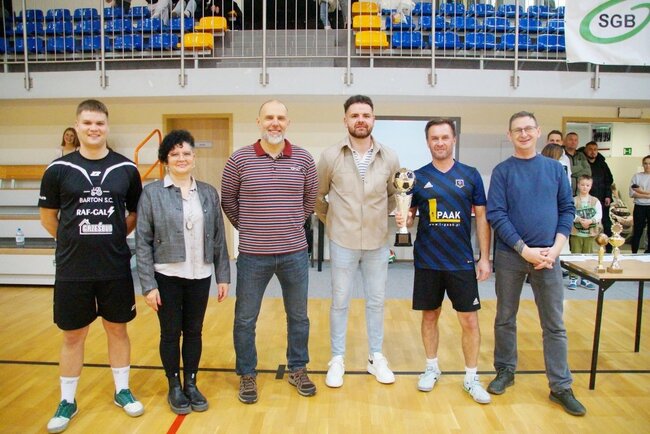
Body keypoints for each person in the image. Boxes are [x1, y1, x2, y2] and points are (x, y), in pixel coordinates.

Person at [39, 99, 144, 433]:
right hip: (73, 270)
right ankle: (67, 400)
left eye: (99, 123)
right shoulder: (57, 169)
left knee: (118, 329)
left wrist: (112, 236)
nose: (93, 129)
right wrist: (74, 240)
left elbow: (134, 214)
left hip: (114, 267)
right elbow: (48, 218)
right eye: (87, 123)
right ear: (77, 126)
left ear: (107, 126)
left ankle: (122, 391)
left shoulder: (126, 169)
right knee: (73, 335)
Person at [486, 111, 586, 416]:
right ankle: (505, 370)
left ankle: (561, 386)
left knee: (554, 324)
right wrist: (524, 250)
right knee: (505, 317)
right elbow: (496, 214)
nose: (524, 134)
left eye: (528, 128)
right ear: (510, 135)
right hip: (511, 256)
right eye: (518, 130)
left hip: (548, 258)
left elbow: (566, 209)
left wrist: (555, 249)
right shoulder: (502, 171)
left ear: (538, 132)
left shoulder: (555, 170)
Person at [221, 100, 318, 404]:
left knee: (298, 317)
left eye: (280, 118)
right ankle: (247, 374)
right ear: (259, 122)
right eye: (269, 117)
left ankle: (298, 368)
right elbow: (228, 201)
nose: (275, 123)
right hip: (253, 255)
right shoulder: (239, 159)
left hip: (294, 254)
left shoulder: (304, 159)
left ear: (288, 122)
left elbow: (310, 200)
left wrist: (290, 224)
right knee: (245, 319)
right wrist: (250, 228)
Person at [395, 119, 491, 404]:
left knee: (469, 320)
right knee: (429, 316)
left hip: (461, 261)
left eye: (444, 137)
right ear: (428, 142)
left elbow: (482, 217)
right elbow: (409, 215)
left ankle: (471, 377)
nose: (440, 142)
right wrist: (404, 218)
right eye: (434, 138)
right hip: (428, 261)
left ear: (454, 139)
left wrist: (484, 258)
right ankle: (431, 367)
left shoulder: (470, 175)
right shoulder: (418, 177)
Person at [135, 129, 230, 415]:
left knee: (194, 332)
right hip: (166, 275)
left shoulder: (208, 192)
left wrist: (223, 276)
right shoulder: (152, 194)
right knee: (170, 332)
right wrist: (148, 285)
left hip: (200, 274)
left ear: (194, 157)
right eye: (174, 154)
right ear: (165, 159)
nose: (181, 158)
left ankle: (191, 382)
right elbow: (142, 241)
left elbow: (218, 237)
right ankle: (174, 385)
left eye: (186, 153)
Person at [315, 95, 400, 388]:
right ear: (345, 120)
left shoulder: (390, 156)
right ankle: (337, 358)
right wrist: (333, 221)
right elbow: (318, 197)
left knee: (376, 302)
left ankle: (376, 357)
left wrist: (380, 218)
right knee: (340, 302)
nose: (360, 120)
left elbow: (395, 195)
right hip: (342, 242)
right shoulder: (330, 156)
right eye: (354, 115)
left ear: (373, 119)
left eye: (365, 115)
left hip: (378, 243)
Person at [567, 175, 601, 291]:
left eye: (587, 185)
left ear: (591, 186)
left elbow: (599, 214)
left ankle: (586, 279)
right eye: (582, 185)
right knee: (575, 256)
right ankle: (573, 278)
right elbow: (570, 212)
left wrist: (591, 221)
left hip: (590, 235)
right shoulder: (573, 200)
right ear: (578, 185)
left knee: (588, 256)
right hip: (576, 234)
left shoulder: (595, 201)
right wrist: (579, 220)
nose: (585, 187)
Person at [584, 141, 614, 249]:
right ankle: (588, 249)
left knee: (606, 223)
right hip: (587, 198)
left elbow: (608, 181)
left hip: (602, 198)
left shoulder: (602, 164)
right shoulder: (582, 162)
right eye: (590, 149)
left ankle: (609, 249)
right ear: (585, 150)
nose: (593, 152)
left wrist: (608, 196)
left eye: (595, 149)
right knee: (587, 223)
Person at [629, 155, 650, 253]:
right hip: (639, 207)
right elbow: (632, 193)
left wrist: (641, 192)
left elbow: (637, 192)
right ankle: (634, 253)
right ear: (642, 164)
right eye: (645, 163)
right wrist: (648, 195)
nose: (647, 165)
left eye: (649, 163)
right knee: (637, 231)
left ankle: (648, 253)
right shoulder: (637, 176)